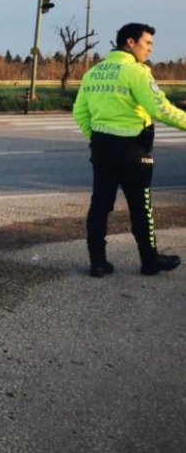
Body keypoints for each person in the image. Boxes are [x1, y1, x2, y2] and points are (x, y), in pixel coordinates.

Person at [73, 23, 186, 277]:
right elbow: (160, 109)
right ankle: (149, 261)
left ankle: (98, 263)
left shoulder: (93, 73)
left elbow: (79, 113)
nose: (150, 49)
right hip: (133, 150)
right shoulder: (136, 71)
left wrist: (99, 138)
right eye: (147, 43)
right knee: (141, 207)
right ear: (130, 42)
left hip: (102, 149)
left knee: (100, 206)